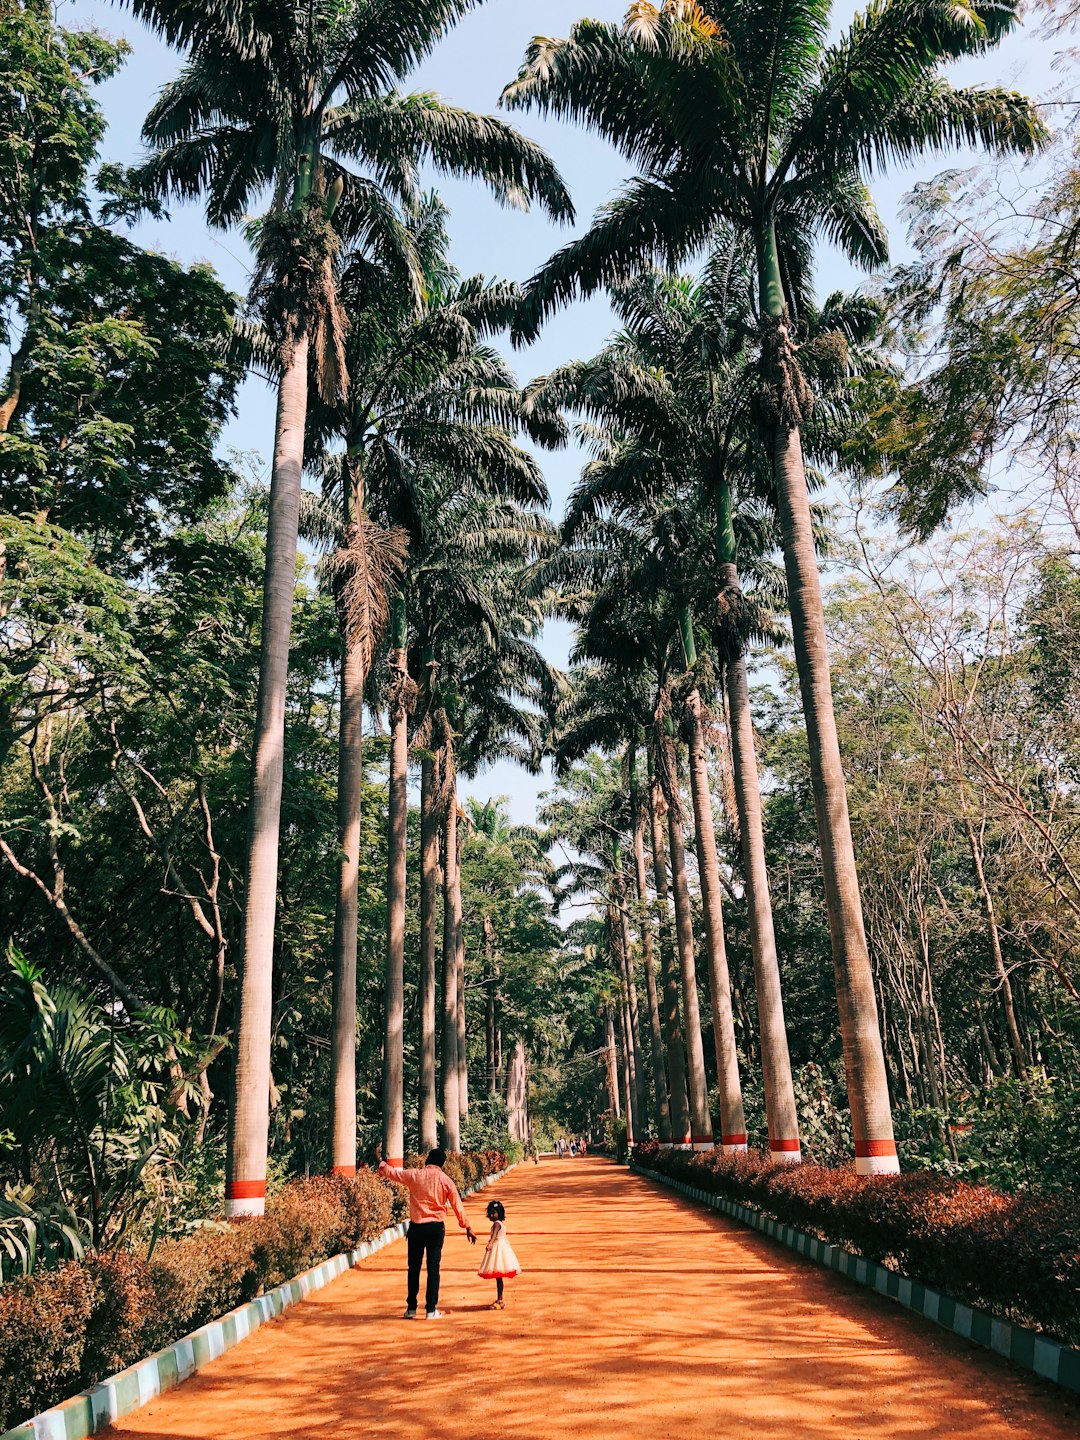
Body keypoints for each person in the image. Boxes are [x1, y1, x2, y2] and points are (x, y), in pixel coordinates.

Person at [378, 1148, 477, 1320]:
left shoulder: (415, 1175)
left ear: (429, 1159)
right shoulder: (445, 1180)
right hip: (436, 1229)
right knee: (433, 1269)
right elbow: (457, 1204)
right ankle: (431, 1309)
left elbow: (393, 1174)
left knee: (413, 1269)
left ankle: (411, 1309)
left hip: (416, 1228)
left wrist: (381, 1162)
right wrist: (467, 1226)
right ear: (442, 1164)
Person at [477, 1199, 520, 1310]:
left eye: (493, 1213)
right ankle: (499, 1299)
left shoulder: (497, 1224)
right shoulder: (501, 1223)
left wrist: (490, 1244)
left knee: (498, 1275)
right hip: (502, 1248)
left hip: (498, 1250)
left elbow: (495, 1235)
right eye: (490, 1213)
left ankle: (500, 1300)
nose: (491, 1215)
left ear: (499, 1213)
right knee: (498, 1277)